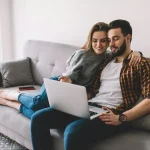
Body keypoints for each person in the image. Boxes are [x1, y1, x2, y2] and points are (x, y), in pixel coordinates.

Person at [30, 19, 150, 150]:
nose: (111, 44)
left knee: (72, 131)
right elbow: (94, 91)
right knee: (38, 119)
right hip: (89, 106)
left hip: (111, 114)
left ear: (128, 38)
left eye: (116, 39)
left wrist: (121, 118)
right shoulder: (106, 61)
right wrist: (74, 98)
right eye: (109, 40)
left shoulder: (140, 64)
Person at [0, 22, 141, 119]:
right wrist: (68, 80)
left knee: (38, 114)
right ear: (90, 40)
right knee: (37, 104)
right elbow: (67, 77)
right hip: (61, 84)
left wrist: (137, 53)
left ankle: (9, 103)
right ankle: (9, 95)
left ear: (108, 42)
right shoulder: (83, 55)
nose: (98, 45)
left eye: (103, 41)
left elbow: (125, 52)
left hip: (77, 94)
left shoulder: (109, 56)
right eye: (94, 40)